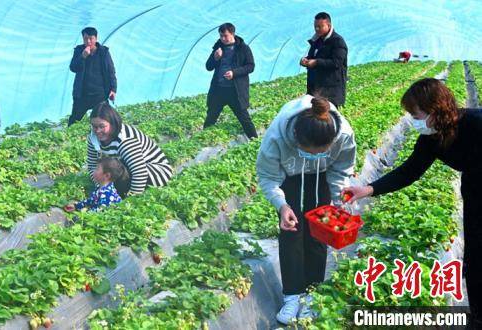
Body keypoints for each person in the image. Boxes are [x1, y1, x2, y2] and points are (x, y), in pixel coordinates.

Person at [342, 78, 482, 328]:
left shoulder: (476, 123)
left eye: (415, 113)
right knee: (474, 262)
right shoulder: (432, 138)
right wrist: (367, 189)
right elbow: (410, 171)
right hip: (475, 193)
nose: (412, 119)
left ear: (435, 109)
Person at [256, 95, 356, 324]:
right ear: (296, 140)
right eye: (309, 152)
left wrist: (340, 200)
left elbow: (341, 170)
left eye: (322, 152)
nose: (315, 156)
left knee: (319, 232)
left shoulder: (344, 135)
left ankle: (313, 293)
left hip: (322, 176)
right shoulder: (277, 137)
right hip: (289, 177)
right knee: (291, 231)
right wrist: (282, 206)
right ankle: (292, 296)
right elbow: (269, 176)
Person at [86, 102, 173, 196]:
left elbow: (140, 172)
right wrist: (100, 186)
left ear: (112, 123)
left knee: (117, 171)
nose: (98, 131)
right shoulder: (93, 138)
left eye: (102, 126)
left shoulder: (125, 140)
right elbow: (92, 165)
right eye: (94, 126)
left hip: (156, 173)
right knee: (107, 169)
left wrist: (131, 200)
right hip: (130, 169)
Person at [204, 22, 258, 139]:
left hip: (235, 91)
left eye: (226, 36)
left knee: (244, 119)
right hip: (219, 90)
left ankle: (255, 141)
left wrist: (234, 73)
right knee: (211, 117)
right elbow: (208, 66)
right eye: (221, 36)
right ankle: (202, 141)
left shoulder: (243, 48)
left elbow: (250, 66)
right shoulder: (217, 48)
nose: (223, 39)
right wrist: (215, 58)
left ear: (232, 34)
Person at [68, 27, 117, 126]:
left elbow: (111, 72)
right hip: (82, 94)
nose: (88, 41)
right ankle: (67, 138)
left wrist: (113, 89)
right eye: (86, 38)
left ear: (96, 38)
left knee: (104, 119)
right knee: (75, 120)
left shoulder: (103, 52)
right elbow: (73, 68)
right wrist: (83, 56)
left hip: (100, 94)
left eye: (91, 38)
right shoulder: (78, 50)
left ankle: (105, 138)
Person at [300, 12, 348, 107]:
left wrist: (317, 62)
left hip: (330, 90)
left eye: (320, 26)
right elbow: (313, 56)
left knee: (327, 117)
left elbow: (337, 63)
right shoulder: (317, 40)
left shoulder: (337, 41)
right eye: (315, 26)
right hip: (315, 87)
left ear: (329, 25)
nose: (317, 29)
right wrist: (305, 60)